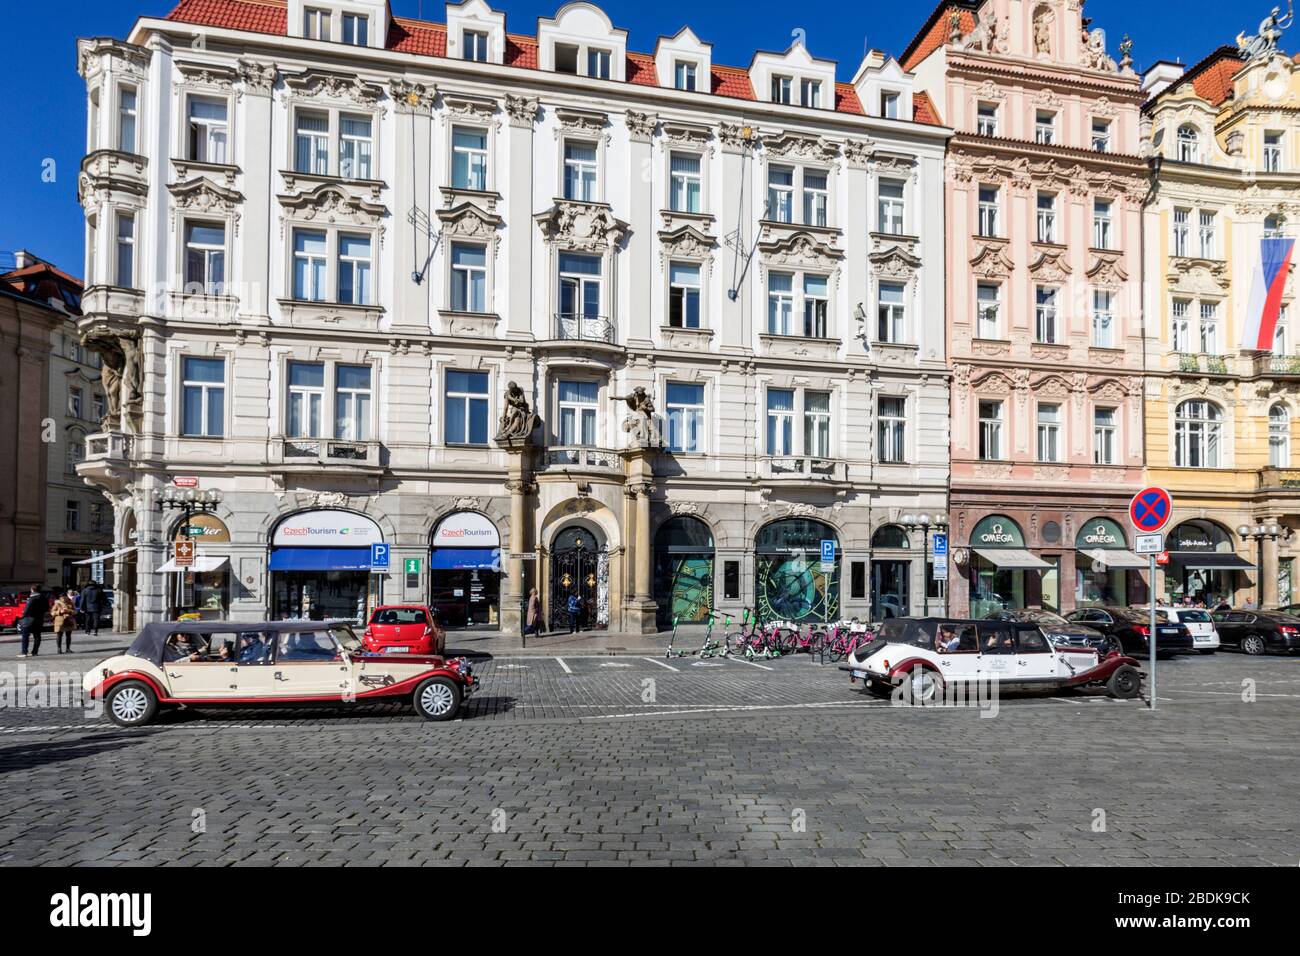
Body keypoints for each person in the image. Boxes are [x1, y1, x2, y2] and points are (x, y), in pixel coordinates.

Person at [17, 586, 50, 658]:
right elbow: (47, 609)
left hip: (29, 619)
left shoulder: (32, 598)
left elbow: (27, 609)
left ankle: (24, 652)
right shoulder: (44, 598)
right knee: (37, 635)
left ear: (32, 590)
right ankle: (35, 651)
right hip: (39, 619)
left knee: (25, 635)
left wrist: (23, 616)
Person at [50, 588, 77, 655]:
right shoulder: (57, 604)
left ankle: (68, 648)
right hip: (59, 621)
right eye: (62, 598)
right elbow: (52, 612)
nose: (63, 599)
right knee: (59, 635)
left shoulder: (71, 603)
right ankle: (59, 649)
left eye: (65, 597)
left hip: (69, 620)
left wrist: (69, 611)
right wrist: (59, 611)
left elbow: (75, 611)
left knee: (68, 635)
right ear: (60, 598)